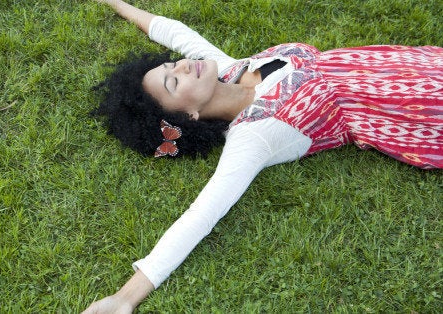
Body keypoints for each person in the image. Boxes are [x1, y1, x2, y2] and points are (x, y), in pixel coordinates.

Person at [85, 0, 442, 312]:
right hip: (405, 106)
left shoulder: (227, 68)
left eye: (170, 66)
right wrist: (125, 298)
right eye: (174, 83)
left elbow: (174, 33)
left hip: (394, 64)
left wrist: (116, 3)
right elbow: (201, 215)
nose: (181, 67)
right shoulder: (255, 134)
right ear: (188, 116)